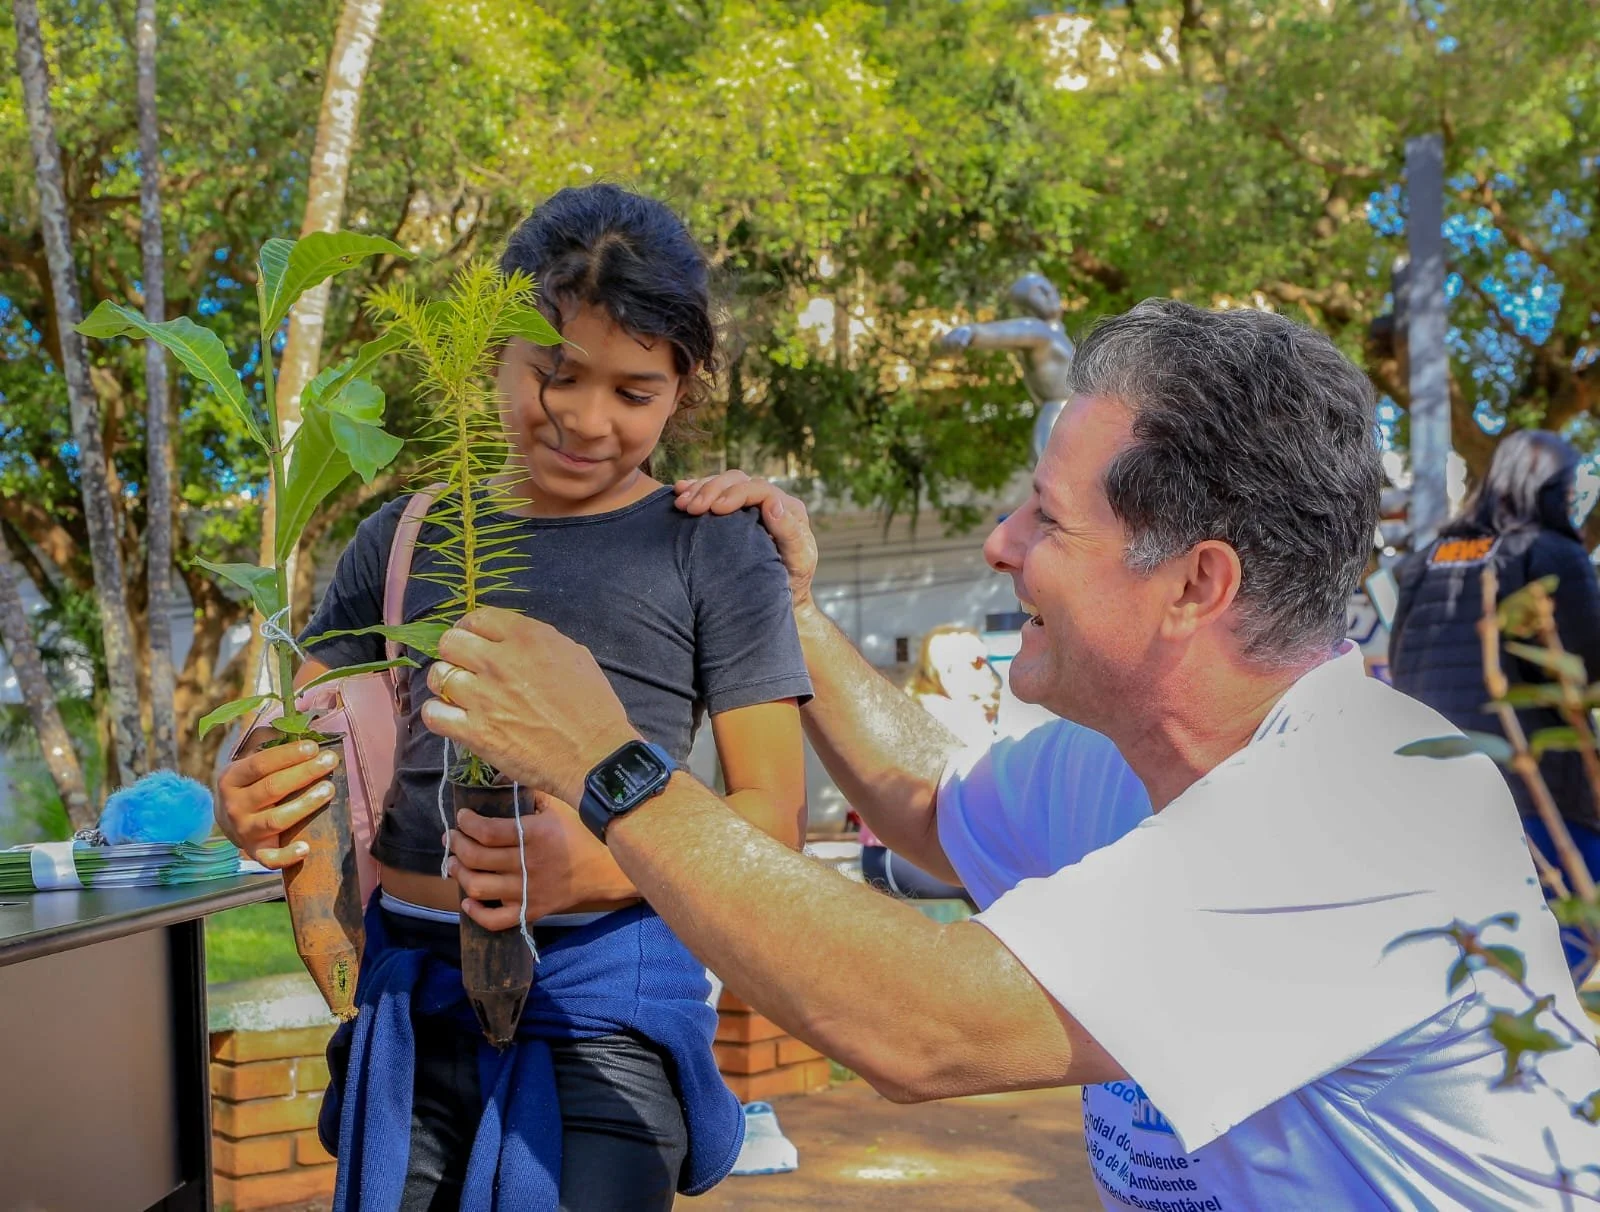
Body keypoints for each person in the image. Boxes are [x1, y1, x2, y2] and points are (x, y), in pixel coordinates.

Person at [420, 300, 1600, 1208]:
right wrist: (785, 611)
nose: (999, 545)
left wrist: (608, 761)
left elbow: (926, 1025)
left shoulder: (1355, 811)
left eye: (1047, 518)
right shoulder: (1134, 762)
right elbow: (927, 798)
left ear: (1196, 583)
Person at [212, 184, 812, 1211]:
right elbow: (299, 731)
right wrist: (245, 786)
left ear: (684, 389)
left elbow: (775, 820)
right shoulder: (402, 535)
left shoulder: (710, 543)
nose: (586, 420)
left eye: (634, 392)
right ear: (494, 351)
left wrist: (615, 856)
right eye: (557, 374)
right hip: (408, 997)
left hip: (603, 1010)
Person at [1390, 429, 1600, 978]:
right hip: (1541, 794)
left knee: (1457, 965)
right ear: (1550, 488)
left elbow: (1401, 667)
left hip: (1432, 797)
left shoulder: (1424, 560)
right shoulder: (1551, 553)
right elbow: (1585, 671)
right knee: (1557, 961)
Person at [858, 626, 1000, 901]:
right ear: (946, 671)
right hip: (909, 858)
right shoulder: (948, 713)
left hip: (882, 858)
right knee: (1015, 878)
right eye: (978, 663)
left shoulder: (917, 706)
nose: (988, 673)